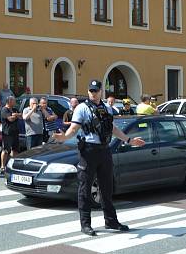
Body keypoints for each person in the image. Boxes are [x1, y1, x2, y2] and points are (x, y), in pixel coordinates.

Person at [53, 79, 146, 236]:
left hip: (104, 150)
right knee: (85, 189)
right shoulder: (82, 108)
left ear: (101, 91)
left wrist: (129, 140)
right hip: (88, 151)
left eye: (96, 91)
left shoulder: (107, 109)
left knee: (106, 188)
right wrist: (64, 137)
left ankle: (111, 221)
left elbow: (113, 129)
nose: (93, 93)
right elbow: (74, 128)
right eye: (91, 91)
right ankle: (86, 224)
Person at [0, 95, 20, 170]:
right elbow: (10, 119)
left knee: (15, 150)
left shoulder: (14, 109)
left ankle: (12, 165)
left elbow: (21, 116)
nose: (15, 102)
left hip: (15, 132)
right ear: (10, 101)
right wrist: (15, 116)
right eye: (14, 101)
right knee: (6, 150)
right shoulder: (4, 110)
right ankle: (2, 166)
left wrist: (16, 115)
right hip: (7, 133)